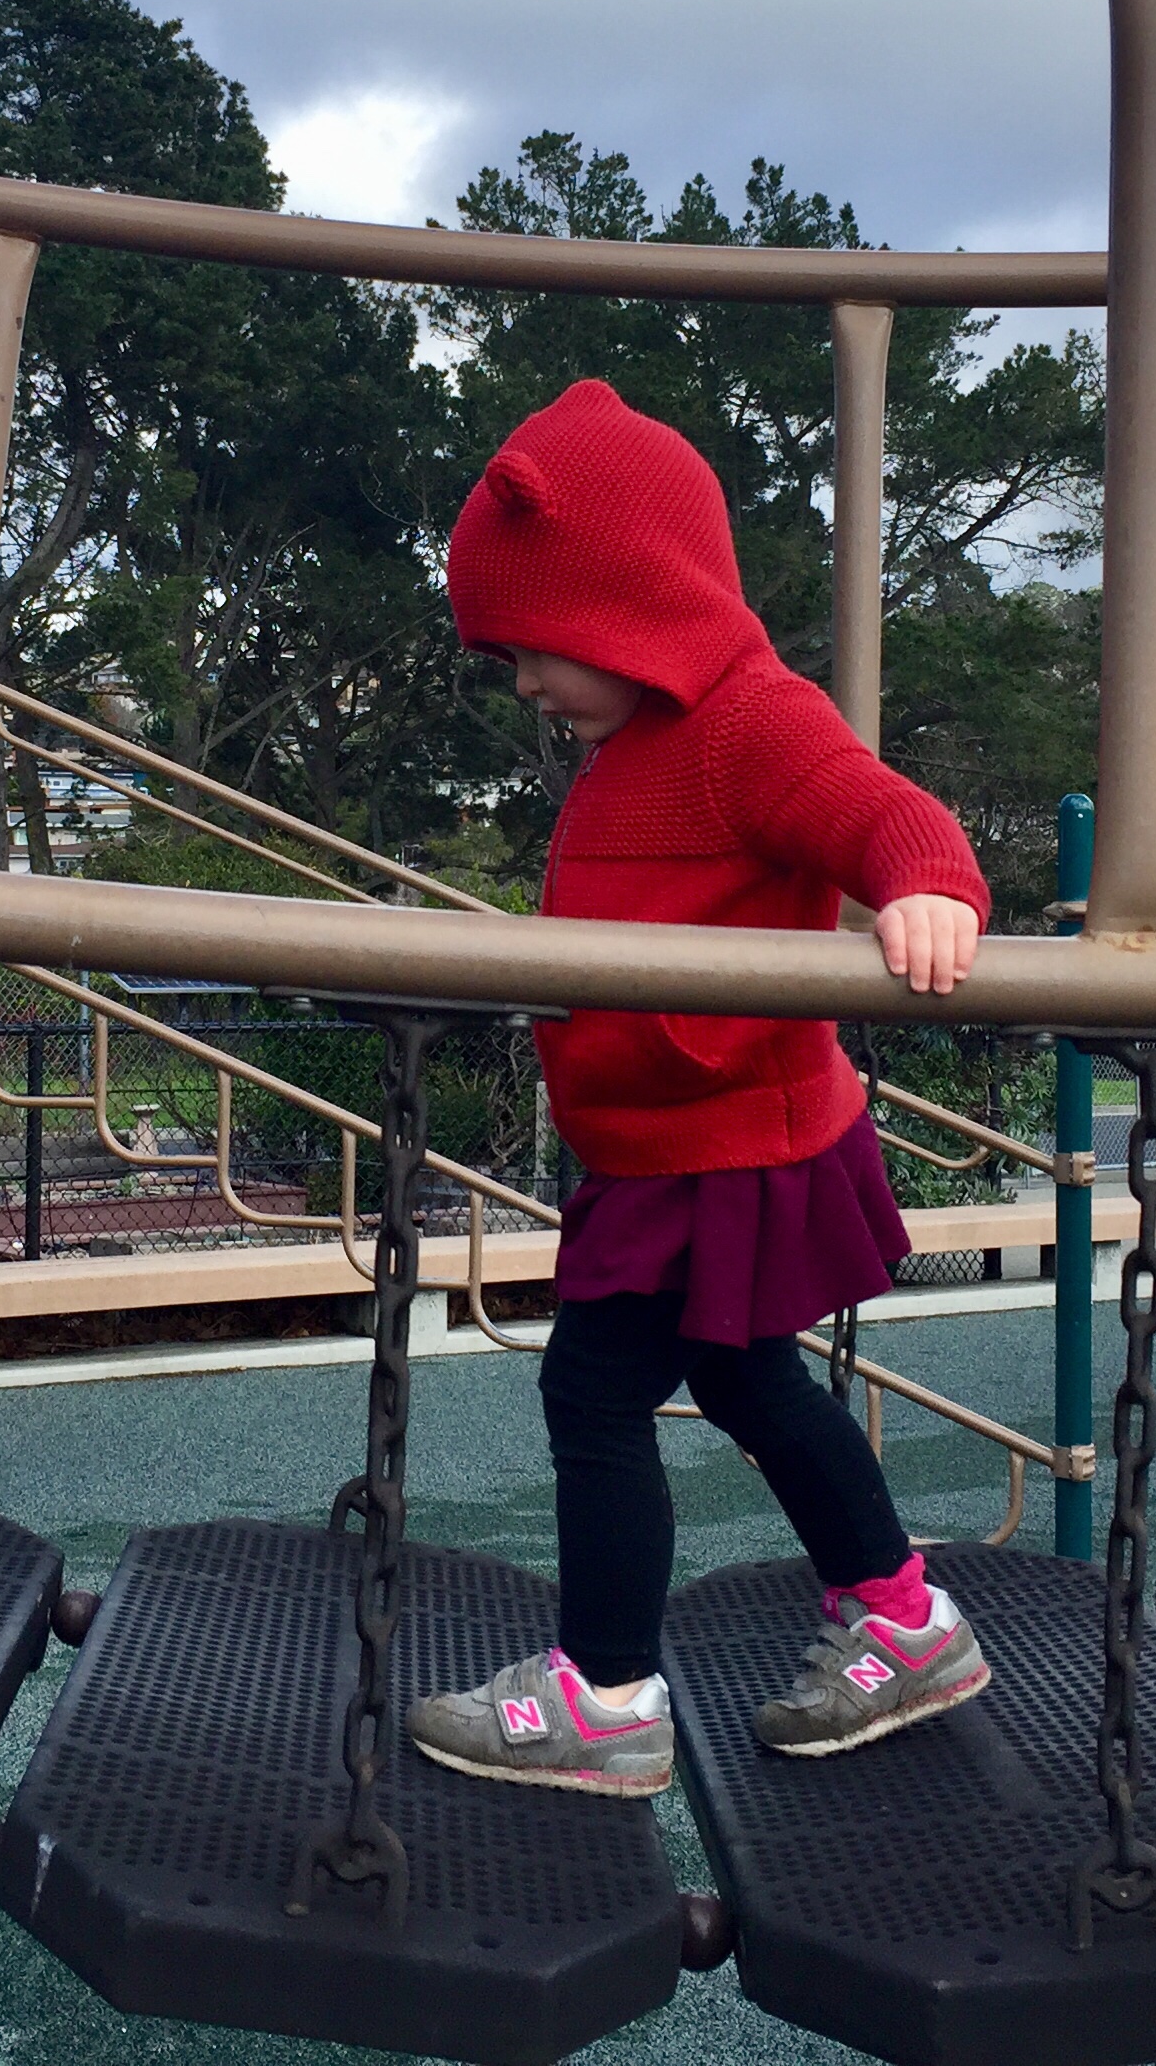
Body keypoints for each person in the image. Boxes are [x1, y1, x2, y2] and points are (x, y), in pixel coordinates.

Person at [406, 378, 991, 1799]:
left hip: (723, 1144)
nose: (524, 682)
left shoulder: (750, 725)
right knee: (747, 1379)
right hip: (668, 1144)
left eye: (536, 647)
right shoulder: (637, 745)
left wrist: (926, 890)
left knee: (595, 1395)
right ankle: (903, 1617)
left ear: (633, 608)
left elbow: (885, 811)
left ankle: (606, 1697)